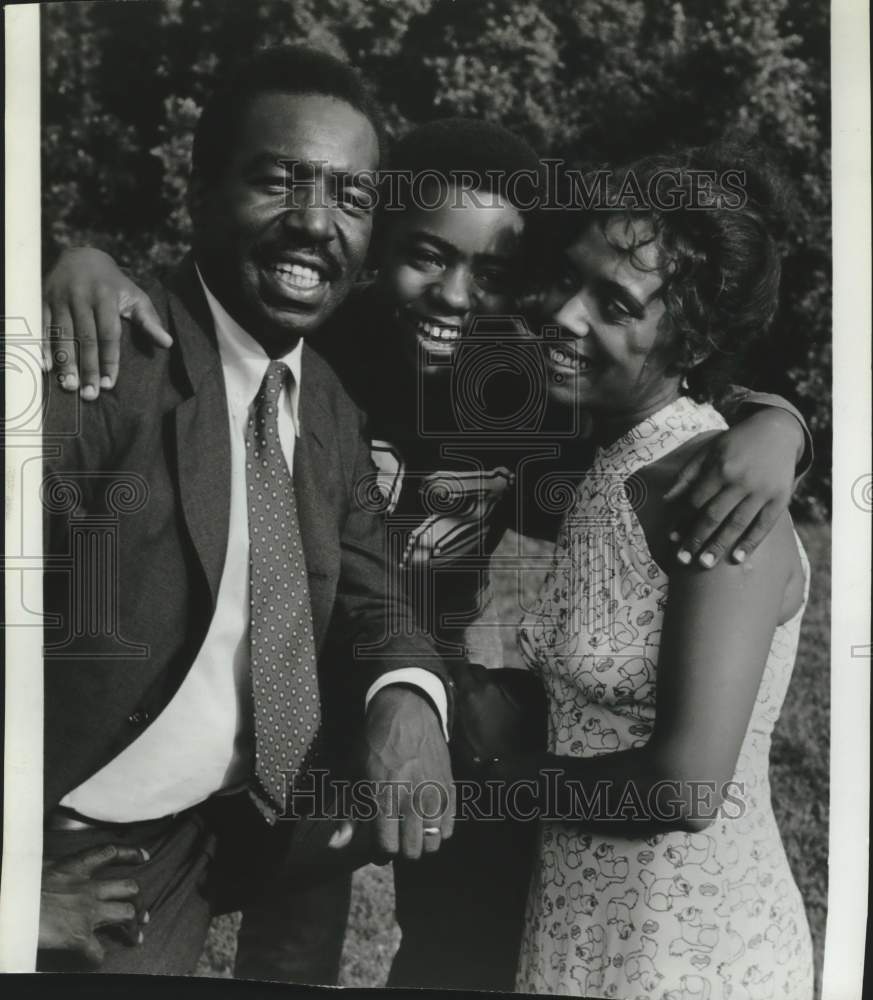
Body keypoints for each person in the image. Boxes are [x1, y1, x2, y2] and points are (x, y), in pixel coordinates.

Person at [43, 121, 812, 989]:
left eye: (494, 274)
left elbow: (663, 405)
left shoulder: (528, 383)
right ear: (377, 243)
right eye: (427, 255)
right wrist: (82, 260)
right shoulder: (311, 348)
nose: (456, 295)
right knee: (289, 952)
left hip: (434, 707)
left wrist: (776, 424)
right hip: (291, 712)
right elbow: (199, 308)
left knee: (461, 947)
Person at [38, 46, 457, 977]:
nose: (316, 223)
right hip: (64, 846)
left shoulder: (329, 407)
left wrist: (406, 700)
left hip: (199, 841)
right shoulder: (103, 366)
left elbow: (375, 593)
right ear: (197, 192)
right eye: (279, 181)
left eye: (350, 198)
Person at [465, 149, 814, 997]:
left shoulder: (714, 491)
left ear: (689, 340)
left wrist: (488, 778)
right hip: (584, 923)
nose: (565, 316)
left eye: (615, 306)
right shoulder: (609, 460)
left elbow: (684, 788)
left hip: (688, 952)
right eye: (572, 280)